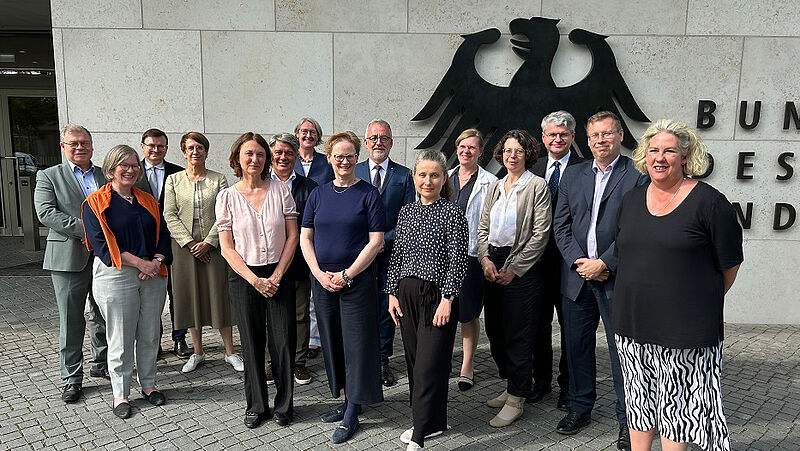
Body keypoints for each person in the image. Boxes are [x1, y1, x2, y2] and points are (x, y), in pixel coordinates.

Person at [614, 119, 743, 451]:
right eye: (654, 150)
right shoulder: (631, 199)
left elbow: (729, 266)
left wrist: (693, 300)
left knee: (678, 411)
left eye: (669, 150)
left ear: (685, 157)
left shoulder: (710, 203)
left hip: (684, 331)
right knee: (638, 404)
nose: (660, 157)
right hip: (633, 325)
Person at [553, 111, 648, 450]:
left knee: (624, 354)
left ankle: (629, 421)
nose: (600, 141)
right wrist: (581, 263)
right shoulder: (574, 175)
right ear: (587, 139)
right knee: (576, 348)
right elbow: (560, 226)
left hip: (615, 278)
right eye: (594, 136)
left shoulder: (637, 175)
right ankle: (580, 407)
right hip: (577, 277)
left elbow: (636, 229)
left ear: (620, 136)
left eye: (607, 134)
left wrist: (605, 263)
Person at [300, 131, 386, 444]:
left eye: (350, 156)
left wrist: (347, 275)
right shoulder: (318, 194)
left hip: (357, 282)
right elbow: (305, 238)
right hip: (323, 282)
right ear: (330, 158)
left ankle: (354, 408)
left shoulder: (368, 194)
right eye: (339, 156)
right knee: (333, 340)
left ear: (357, 157)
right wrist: (319, 274)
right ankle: (345, 398)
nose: (345, 161)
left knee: (357, 344)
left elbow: (376, 241)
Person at [82, 144, 172, 419]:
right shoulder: (95, 203)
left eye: (134, 165)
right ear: (111, 169)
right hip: (117, 275)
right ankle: (121, 394)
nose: (130, 170)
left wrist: (155, 261)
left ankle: (148, 385)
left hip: (153, 275)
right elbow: (101, 246)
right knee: (120, 337)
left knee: (149, 334)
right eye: (124, 165)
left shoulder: (147, 200)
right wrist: (140, 263)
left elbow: (163, 235)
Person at [387, 149, 468, 450]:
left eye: (434, 175)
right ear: (414, 177)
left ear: (444, 178)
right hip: (406, 295)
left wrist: (448, 298)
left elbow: (458, 260)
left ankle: (419, 435)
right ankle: (434, 422)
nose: (428, 180)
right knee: (413, 362)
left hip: (437, 296)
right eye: (422, 174)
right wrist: (391, 294)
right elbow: (397, 256)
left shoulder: (453, 212)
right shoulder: (406, 212)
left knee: (428, 365)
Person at [216, 132, 298, 429]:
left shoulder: (280, 191)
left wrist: (275, 276)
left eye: (260, 154)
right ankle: (256, 405)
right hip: (244, 277)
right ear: (238, 158)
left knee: (283, 342)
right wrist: (254, 280)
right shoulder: (227, 197)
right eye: (249, 154)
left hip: (279, 273)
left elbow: (293, 237)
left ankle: (285, 405)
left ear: (267, 159)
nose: (255, 159)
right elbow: (227, 247)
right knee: (251, 343)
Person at [477, 129, 551, 428]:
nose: (512, 155)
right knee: (495, 330)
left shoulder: (537, 187)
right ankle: (510, 386)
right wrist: (483, 258)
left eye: (518, 151)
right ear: (501, 154)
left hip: (521, 268)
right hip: (491, 263)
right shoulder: (495, 186)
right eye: (508, 151)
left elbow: (540, 234)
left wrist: (514, 268)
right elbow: (482, 227)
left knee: (519, 335)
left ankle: (518, 398)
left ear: (528, 155)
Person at [34, 124, 109, 403]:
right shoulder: (49, 176)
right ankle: (72, 378)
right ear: (63, 146)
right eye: (74, 143)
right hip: (68, 257)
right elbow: (45, 213)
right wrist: (87, 230)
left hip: (104, 257)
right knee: (71, 318)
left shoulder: (105, 174)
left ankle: (101, 364)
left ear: (92, 145)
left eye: (85, 143)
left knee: (103, 313)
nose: (80, 147)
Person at [162, 132, 242, 374]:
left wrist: (208, 242)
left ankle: (229, 351)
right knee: (190, 298)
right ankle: (197, 351)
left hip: (215, 248)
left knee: (220, 296)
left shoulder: (219, 180)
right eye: (190, 148)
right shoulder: (174, 181)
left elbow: (225, 214)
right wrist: (189, 243)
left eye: (200, 147)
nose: (195, 152)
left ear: (206, 152)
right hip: (184, 249)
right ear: (184, 152)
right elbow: (170, 214)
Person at [529, 111, 585, 409]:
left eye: (563, 134)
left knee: (570, 329)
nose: (558, 139)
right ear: (543, 138)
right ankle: (541, 381)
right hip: (537, 265)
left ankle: (568, 386)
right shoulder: (533, 169)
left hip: (570, 264)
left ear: (572, 137)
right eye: (552, 134)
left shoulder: (586, 169)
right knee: (539, 326)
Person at [355, 119, 415, 387]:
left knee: (386, 308)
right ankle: (360, 359)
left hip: (390, 255)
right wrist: (365, 243)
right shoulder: (352, 171)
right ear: (366, 143)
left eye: (384, 137)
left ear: (391, 142)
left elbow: (409, 217)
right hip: (357, 255)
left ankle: (381, 360)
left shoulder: (404, 176)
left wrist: (383, 241)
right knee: (358, 307)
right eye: (373, 138)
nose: (378, 142)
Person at [446, 129, 497, 391]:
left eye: (472, 148)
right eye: (462, 146)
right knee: (441, 308)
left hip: (470, 256)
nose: (466, 151)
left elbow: (490, 223)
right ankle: (443, 359)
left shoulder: (490, 182)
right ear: (457, 149)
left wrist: (484, 254)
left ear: (480, 152)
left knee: (467, 313)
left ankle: (467, 364)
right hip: (442, 255)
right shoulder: (446, 176)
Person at [135, 128, 190, 358]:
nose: (156, 150)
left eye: (161, 146)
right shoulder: (131, 172)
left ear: (166, 148)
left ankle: (180, 339)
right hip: (144, 244)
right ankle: (153, 342)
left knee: (177, 293)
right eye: (151, 145)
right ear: (142, 146)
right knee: (150, 297)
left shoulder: (179, 173)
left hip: (173, 241)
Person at [269, 132, 319, 385]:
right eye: (278, 152)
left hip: (299, 263)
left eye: (289, 152)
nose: (283, 157)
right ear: (271, 155)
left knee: (300, 315)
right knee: (273, 315)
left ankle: (298, 362)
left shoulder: (309, 188)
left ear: (297, 155)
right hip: (267, 263)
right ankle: (274, 361)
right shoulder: (260, 184)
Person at [293, 116, 332, 360]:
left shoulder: (325, 163)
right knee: (298, 293)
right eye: (304, 131)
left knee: (315, 286)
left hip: (320, 230)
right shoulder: (288, 159)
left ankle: (314, 339)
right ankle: (298, 339)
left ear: (318, 137)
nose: (308, 135)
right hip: (293, 228)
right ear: (297, 133)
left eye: (313, 132)